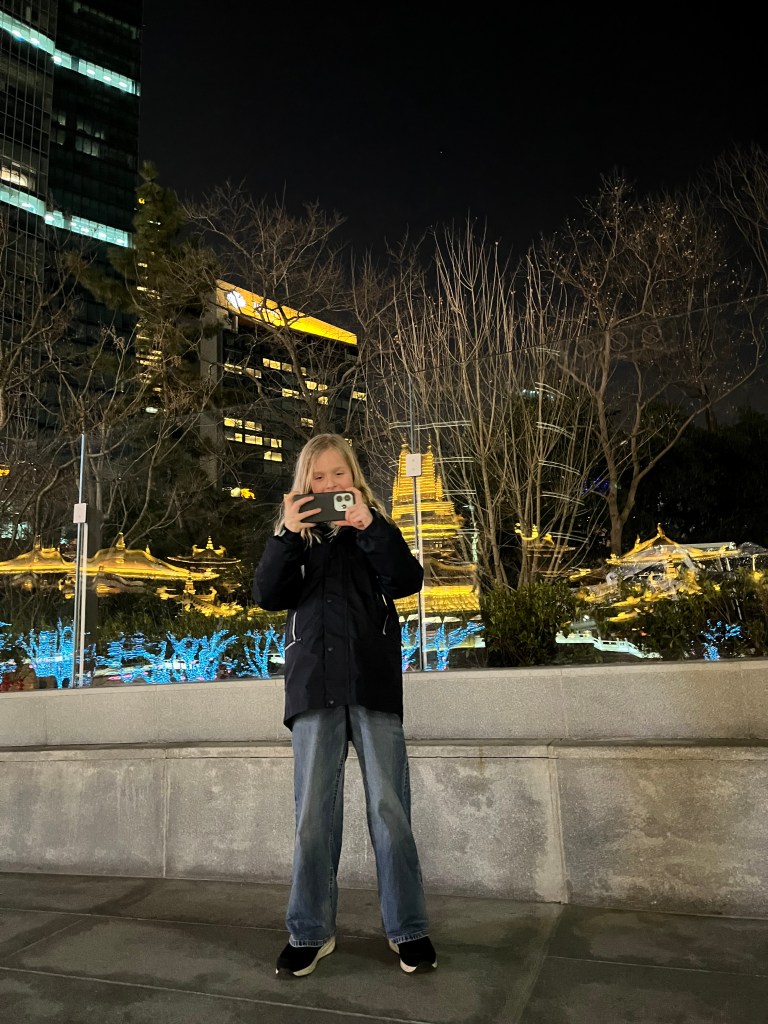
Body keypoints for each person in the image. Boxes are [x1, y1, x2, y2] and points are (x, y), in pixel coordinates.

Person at [253, 433, 437, 978]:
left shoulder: (374, 527)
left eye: (338, 474)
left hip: (372, 681)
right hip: (314, 686)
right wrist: (287, 535)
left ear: (353, 478)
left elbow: (407, 580)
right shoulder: (295, 537)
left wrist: (369, 527)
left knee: (389, 810)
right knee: (312, 815)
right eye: (318, 477)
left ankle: (409, 928)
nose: (329, 484)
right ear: (304, 483)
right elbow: (267, 594)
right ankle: (309, 932)